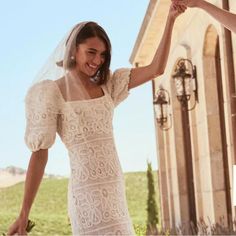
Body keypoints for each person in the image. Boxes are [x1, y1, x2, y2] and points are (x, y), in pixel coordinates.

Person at [7, 2, 186, 236]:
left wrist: (171, 19)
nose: (98, 60)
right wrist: (24, 212)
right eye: (91, 52)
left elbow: (156, 69)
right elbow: (40, 153)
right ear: (73, 50)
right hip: (86, 193)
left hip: (114, 189)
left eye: (103, 54)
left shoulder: (109, 85)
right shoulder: (50, 92)